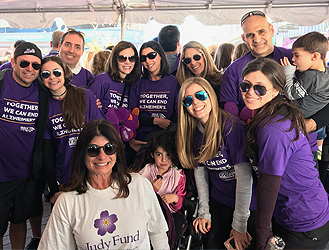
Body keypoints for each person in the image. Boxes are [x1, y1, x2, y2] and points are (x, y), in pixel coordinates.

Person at [38, 119, 169, 249]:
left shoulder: (140, 185)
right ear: (82, 155)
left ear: (117, 152)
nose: (102, 156)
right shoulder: (67, 202)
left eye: (109, 148)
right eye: (93, 150)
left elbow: (158, 235)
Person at [241, 57, 329, 249]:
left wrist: (263, 235)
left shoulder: (273, 128)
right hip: (299, 210)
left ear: (277, 89)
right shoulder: (273, 111)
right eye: (245, 85)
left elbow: (269, 185)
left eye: (259, 88)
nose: (250, 92)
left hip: (303, 220)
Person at [0, 42, 49, 250]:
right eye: (24, 63)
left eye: (36, 66)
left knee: (19, 224)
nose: (30, 69)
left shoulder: (42, 92)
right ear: (13, 62)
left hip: (26, 176)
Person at [177, 77, 256, 250]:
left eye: (200, 95)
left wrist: (239, 225)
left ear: (210, 95)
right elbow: (200, 172)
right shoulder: (193, 132)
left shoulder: (231, 127)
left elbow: (244, 178)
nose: (195, 103)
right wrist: (204, 211)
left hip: (247, 206)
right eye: (188, 100)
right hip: (219, 202)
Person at [40, 56, 106, 204]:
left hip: (92, 173)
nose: (52, 77)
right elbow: (47, 151)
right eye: (46, 74)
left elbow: (102, 132)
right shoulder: (44, 106)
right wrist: (53, 188)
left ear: (64, 72)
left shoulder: (85, 96)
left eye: (56, 72)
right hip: (65, 178)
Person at [220, 10, 293, 120]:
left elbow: (322, 90)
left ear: (272, 30)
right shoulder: (233, 70)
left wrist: (314, 122)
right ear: (244, 38)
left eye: (261, 31)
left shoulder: (295, 58)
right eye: (250, 35)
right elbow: (230, 112)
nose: (257, 39)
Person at [281, 31, 329, 161]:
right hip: (317, 128)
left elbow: (290, 93)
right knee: (311, 159)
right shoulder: (325, 74)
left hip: (301, 122)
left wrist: (288, 72)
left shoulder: (311, 77)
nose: (293, 59)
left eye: (297, 55)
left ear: (314, 56)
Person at [129, 40, 179, 150]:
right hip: (141, 141)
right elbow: (131, 116)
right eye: (143, 58)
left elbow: (178, 115)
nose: (147, 61)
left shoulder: (174, 83)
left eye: (151, 56)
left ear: (160, 56)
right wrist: (155, 121)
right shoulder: (137, 84)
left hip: (165, 142)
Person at [139, 130, 186, 241]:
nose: (164, 160)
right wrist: (151, 189)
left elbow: (180, 204)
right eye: (159, 154)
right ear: (152, 155)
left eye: (168, 155)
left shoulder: (178, 177)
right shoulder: (145, 172)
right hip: (148, 213)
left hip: (168, 215)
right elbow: (137, 197)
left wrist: (175, 198)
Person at [88, 41, 141, 113]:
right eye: (122, 58)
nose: (128, 62)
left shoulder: (132, 85)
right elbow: (87, 109)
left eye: (132, 58)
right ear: (114, 59)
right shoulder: (101, 81)